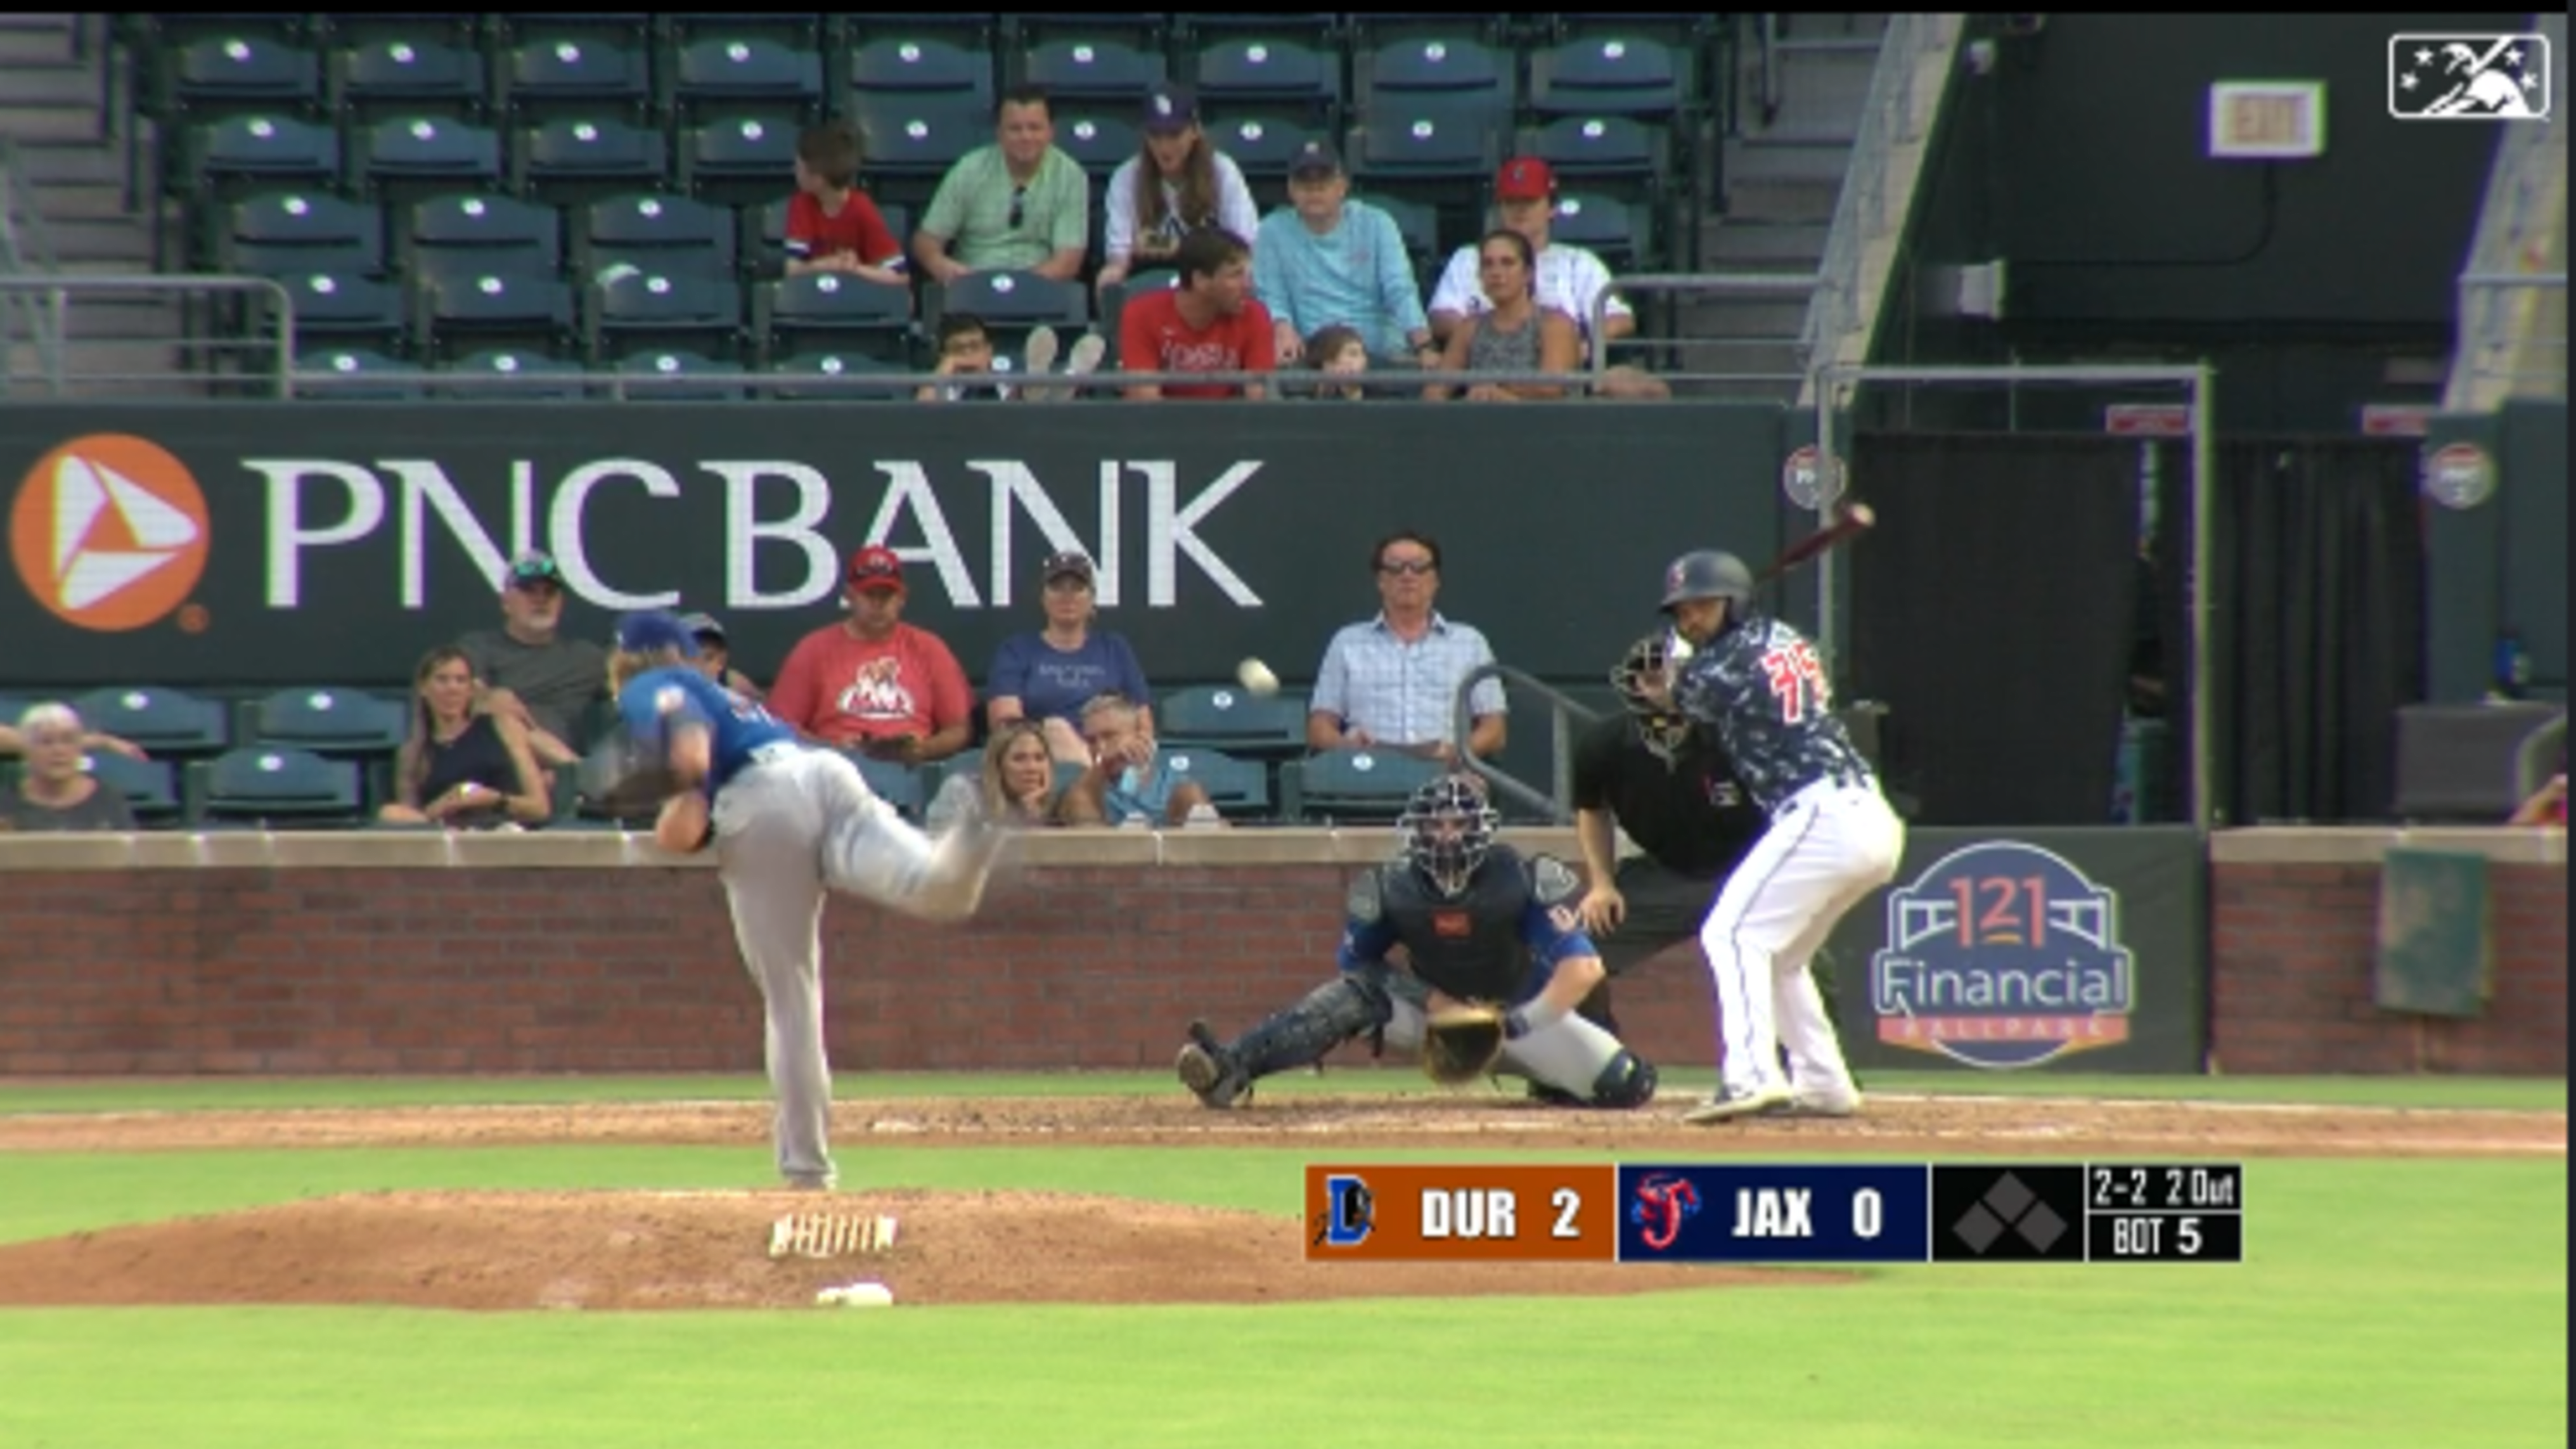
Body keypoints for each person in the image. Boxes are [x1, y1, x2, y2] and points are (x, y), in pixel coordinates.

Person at [605, 610, 1010, 1191]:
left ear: (625, 657)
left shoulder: (652, 684)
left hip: (760, 802)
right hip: (820, 771)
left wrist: (664, 812)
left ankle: (806, 1172)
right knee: (934, 889)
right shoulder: (727, 694)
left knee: (792, 1001)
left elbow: (691, 772)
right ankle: (969, 838)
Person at [1174, 774, 1659, 1110]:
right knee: (1348, 998)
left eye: (1458, 825)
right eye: (1436, 825)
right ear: (1417, 830)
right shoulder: (1389, 886)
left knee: (1626, 1085)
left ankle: (1551, 1082)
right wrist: (1434, 1002)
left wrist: (1511, 1024)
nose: (1446, 836)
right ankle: (1230, 1067)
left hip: (1523, 1018)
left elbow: (1584, 969)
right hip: (1435, 1021)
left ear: (1481, 829)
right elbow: (1358, 964)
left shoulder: (1525, 876)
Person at [1656, 548, 1903, 1123]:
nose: (1688, 619)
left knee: (1730, 933)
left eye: (1701, 606)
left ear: (1734, 602)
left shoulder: (1728, 662)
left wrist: (1680, 662)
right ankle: (1824, 1082)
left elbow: (1684, 700)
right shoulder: (1783, 638)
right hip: (1867, 815)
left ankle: (1749, 1074)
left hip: (1823, 812)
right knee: (1784, 957)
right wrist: (1694, 651)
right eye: (1682, 611)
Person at [1306, 529, 1507, 762]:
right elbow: (1318, 728)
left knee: (1461, 794)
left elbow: (1495, 729)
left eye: (1419, 567)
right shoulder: (1347, 642)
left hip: (1448, 771)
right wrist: (1347, 746)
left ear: (1436, 580)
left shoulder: (1469, 642)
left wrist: (1457, 753)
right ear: (1380, 581)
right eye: (1395, 567)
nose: (1408, 575)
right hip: (1368, 772)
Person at [765, 545, 975, 766]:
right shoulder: (814, 648)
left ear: (902, 597)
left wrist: (922, 749)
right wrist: (830, 750)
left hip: (910, 771)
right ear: (849, 596)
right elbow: (780, 725)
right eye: (869, 594)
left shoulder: (928, 648)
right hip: (835, 769)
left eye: (886, 595)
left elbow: (960, 729)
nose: (878, 604)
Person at [1251, 140, 1436, 368]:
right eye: (1304, 181)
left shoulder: (1378, 223)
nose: (1314, 189)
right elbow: (1272, 297)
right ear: (1290, 189)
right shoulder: (1271, 230)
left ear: (1342, 185)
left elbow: (1399, 289)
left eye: (1324, 180)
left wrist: (1424, 346)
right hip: (1312, 355)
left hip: (1376, 353)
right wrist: (1282, 329)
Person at [1426, 158, 1633, 359]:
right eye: (1511, 201)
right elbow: (1440, 317)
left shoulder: (1578, 262)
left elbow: (1620, 318)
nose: (1520, 209)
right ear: (1500, 207)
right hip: (1483, 371)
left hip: (1561, 373)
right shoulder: (1468, 258)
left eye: (1530, 200)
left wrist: (1582, 345)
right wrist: (1493, 344)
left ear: (1552, 208)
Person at [984, 549, 1152, 765]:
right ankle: (1094, 779)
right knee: (1056, 727)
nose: (1067, 596)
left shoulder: (1114, 647)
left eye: (1077, 588)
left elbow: (1143, 721)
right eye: (1057, 588)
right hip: (1045, 759)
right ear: (1043, 597)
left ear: (1092, 598)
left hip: (1112, 753)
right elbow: (1005, 724)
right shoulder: (1017, 649)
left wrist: (1134, 746)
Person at [1095, 82, 1260, 298]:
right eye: (1156, 134)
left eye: (1174, 134)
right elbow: (1119, 254)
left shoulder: (1222, 170)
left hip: (1212, 282)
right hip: (1149, 283)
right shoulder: (1127, 176)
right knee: (1107, 281)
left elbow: (1242, 248)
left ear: (1195, 131)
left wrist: (1171, 245)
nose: (1164, 146)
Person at [911, 85, 1088, 284]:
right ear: (999, 132)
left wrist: (1018, 287)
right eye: (1015, 128)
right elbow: (926, 242)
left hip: (1040, 287)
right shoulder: (970, 169)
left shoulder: (1070, 176)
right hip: (973, 282)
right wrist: (942, 266)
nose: (1026, 137)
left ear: (1050, 132)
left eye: (1034, 128)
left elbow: (1068, 262)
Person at [457, 549, 605, 775]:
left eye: (550, 592)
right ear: (506, 602)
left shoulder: (587, 657)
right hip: (494, 770)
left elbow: (629, 679)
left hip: (557, 778)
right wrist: (488, 696)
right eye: (528, 591)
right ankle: (585, 777)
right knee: (501, 710)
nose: (541, 599)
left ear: (561, 602)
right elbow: (464, 698)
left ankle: (583, 780)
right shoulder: (479, 646)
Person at [377, 644, 551, 830]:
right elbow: (411, 823)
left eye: (461, 680)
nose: (452, 688)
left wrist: (493, 799)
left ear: (470, 689)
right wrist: (441, 807)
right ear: (423, 688)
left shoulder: (503, 727)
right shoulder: (413, 752)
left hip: (504, 831)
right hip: (447, 837)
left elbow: (539, 808)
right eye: (442, 680)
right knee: (389, 813)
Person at [1420, 228, 1581, 402]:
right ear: (1480, 275)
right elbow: (1436, 388)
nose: (1496, 273)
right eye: (1488, 264)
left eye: (1507, 263)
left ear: (1528, 273)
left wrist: (1498, 394)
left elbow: (1551, 388)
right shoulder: (1469, 328)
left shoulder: (1555, 324)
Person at [1118, 226, 1275, 400]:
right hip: (1162, 425)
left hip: (1229, 424)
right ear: (1200, 280)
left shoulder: (1254, 314)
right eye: (1235, 275)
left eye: (1247, 275)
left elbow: (1260, 401)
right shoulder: (1141, 313)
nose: (1248, 286)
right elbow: (1145, 402)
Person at [1058, 691, 1215, 828]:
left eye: (1110, 736)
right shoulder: (1086, 789)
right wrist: (1097, 774)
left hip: (1179, 855)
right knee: (1078, 799)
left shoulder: (1176, 785)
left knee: (1191, 794)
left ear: (1137, 735)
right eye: (1091, 741)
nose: (1100, 747)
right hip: (1112, 855)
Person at [783, 121, 907, 286]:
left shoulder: (861, 208)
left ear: (818, 178)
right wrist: (825, 265)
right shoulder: (801, 204)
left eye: (799, 167)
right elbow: (792, 270)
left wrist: (854, 269)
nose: (794, 171)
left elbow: (899, 276)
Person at [0, 702, 137, 832]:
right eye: (46, 742)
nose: (58, 751)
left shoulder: (108, 800)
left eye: (67, 741)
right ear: (26, 752)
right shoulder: (6, 803)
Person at [681, 611, 764, 702]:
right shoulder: (666, 694)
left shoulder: (735, 690)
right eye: (691, 658)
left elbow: (765, 709)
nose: (699, 667)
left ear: (722, 662)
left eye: (708, 658)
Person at [1304, 324, 1368, 400]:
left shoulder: (1377, 392)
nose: (1363, 360)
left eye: (1363, 353)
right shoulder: (1299, 394)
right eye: (1353, 354)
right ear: (1328, 361)